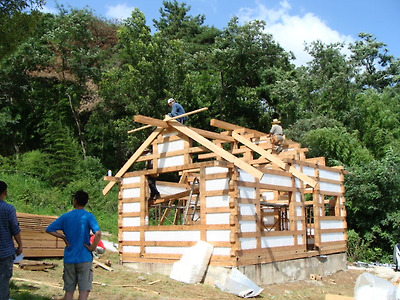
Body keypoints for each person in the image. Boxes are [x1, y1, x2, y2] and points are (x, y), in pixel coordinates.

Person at [46, 190, 101, 300]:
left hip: (69, 258)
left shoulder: (65, 216)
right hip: (84, 258)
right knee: (84, 292)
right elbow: (98, 233)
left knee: (69, 292)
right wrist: (92, 247)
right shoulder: (88, 216)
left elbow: (49, 229)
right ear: (86, 202)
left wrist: (63, 237)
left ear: (74, 201)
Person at [0, 180, 23, 300]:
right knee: (3, 282)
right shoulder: (8, 209)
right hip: (5, 251)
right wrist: (20, 245)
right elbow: (15, 229)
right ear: (5, 192)